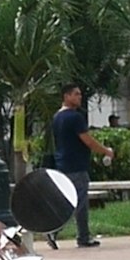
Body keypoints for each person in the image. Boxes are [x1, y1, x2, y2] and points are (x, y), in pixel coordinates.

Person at [47, 86, 101, 249]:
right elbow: (87, 140)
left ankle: (54, 230)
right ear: (66, 96)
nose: (79, 97)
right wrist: (106, 151)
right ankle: (82, 236)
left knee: (67, 201)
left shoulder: (57, 117)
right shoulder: (75, 117)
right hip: (76, 165)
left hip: (62, 163)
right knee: (79, 202)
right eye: (76, 94)